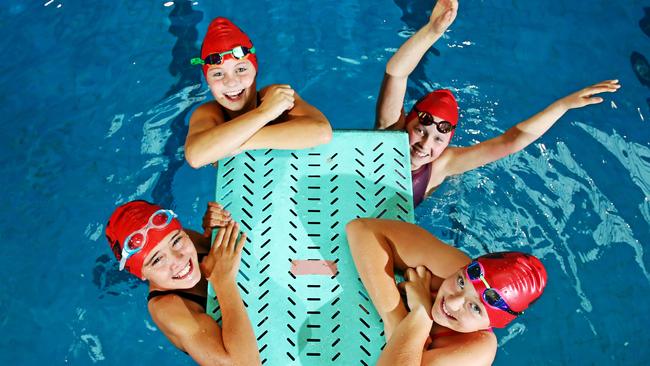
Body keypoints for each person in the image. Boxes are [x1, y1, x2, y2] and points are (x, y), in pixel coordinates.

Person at [375, 0, 621, 206]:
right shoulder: (389, 131)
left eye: (438, 139)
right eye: (420, 130)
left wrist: (563, 105)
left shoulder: (441, 166)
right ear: (407, 123)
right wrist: (433, 31)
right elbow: (396, 73)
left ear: (448, 142)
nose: (425, 145)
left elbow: (512, 140)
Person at [346, 218, 547, 365]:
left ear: (494, 323)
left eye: (476, 308)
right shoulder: (451, 267)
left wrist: (421, 315)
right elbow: (362, 230)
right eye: (461, 282)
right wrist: (395, 319)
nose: (452, 302)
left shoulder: (478, 349)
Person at [105, 200, 260, 365]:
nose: (178, 259)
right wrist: (223, 281)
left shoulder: (185, 238)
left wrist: (213, 227)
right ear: (142, 274)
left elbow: (220, 250)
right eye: (156, 260)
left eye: (176, 241)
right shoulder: (167, 309)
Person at [185, 17, 332, 168]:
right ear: (207, 81)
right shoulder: (209, 112)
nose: (231, 82)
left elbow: (322, 131)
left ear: (255, 70)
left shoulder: (274, 95)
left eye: (241, 69)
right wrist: (264, 113)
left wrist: (236, 145)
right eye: (217, 74)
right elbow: (196, 157)